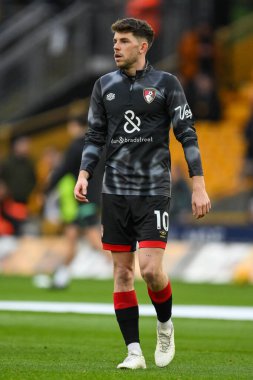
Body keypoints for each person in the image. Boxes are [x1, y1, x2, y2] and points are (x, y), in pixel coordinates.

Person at [74, 18, 211, 370]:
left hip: (153, 190)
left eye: (123, 41)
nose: (116, 46)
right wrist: (84, 173)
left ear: (142, 46)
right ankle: (134, 352)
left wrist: (198, 184)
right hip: (115, 191)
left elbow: (188, 135)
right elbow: (94, 136)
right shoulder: (104, 86)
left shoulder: (167, 84)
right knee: (122, 274)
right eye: (115, 40)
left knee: (150, 270)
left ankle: (165, 325)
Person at [41, 115, 107, 288]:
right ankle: (60, 277)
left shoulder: (76, 146)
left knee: (93, 237)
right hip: (92, 196)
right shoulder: (97, 144)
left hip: (85, 198)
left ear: (74, 126)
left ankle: (121, 268)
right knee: (71, 236)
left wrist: (46, 190)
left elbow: (63, 169)